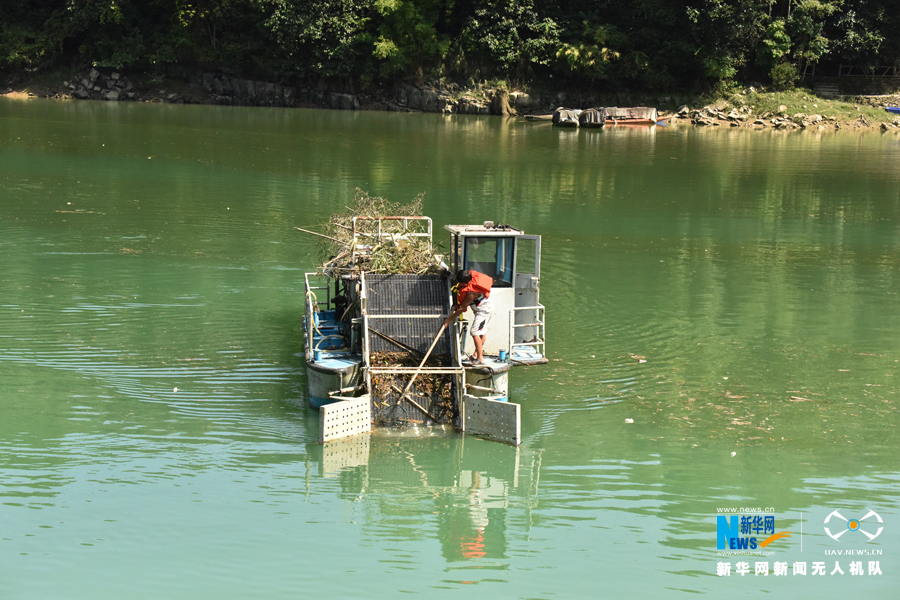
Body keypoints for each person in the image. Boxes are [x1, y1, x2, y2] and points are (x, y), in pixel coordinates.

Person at [443, 269, 493, 364]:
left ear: (469, 282)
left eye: (462, 284)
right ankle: (475, 355)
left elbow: (462, 308)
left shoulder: (472, 293)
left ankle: (480, 359)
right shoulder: (467, 284)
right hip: (479, 310)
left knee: (474, 332)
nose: (461, 285)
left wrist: (449, 319)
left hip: (484, 311)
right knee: (481, 332)